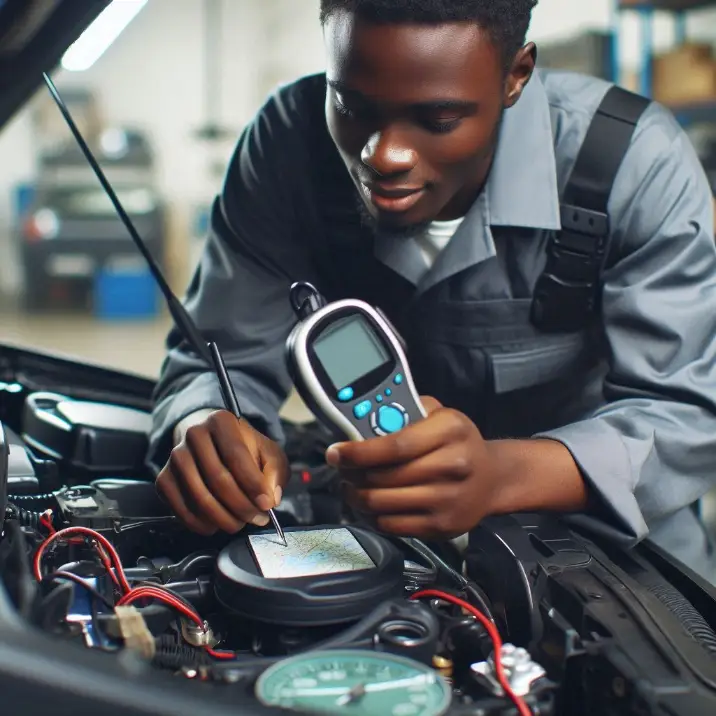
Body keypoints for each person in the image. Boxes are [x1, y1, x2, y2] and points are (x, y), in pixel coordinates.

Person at [148, 0, 716, 579]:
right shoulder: (287, 145)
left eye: (439, 119)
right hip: (384, 555)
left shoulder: (630, 163)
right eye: (351, 105)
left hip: (611, 570)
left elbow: (685, 413)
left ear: (515, 75)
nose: (382, 155)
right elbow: (217, 358)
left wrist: (501, 475)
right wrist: (204, 428)